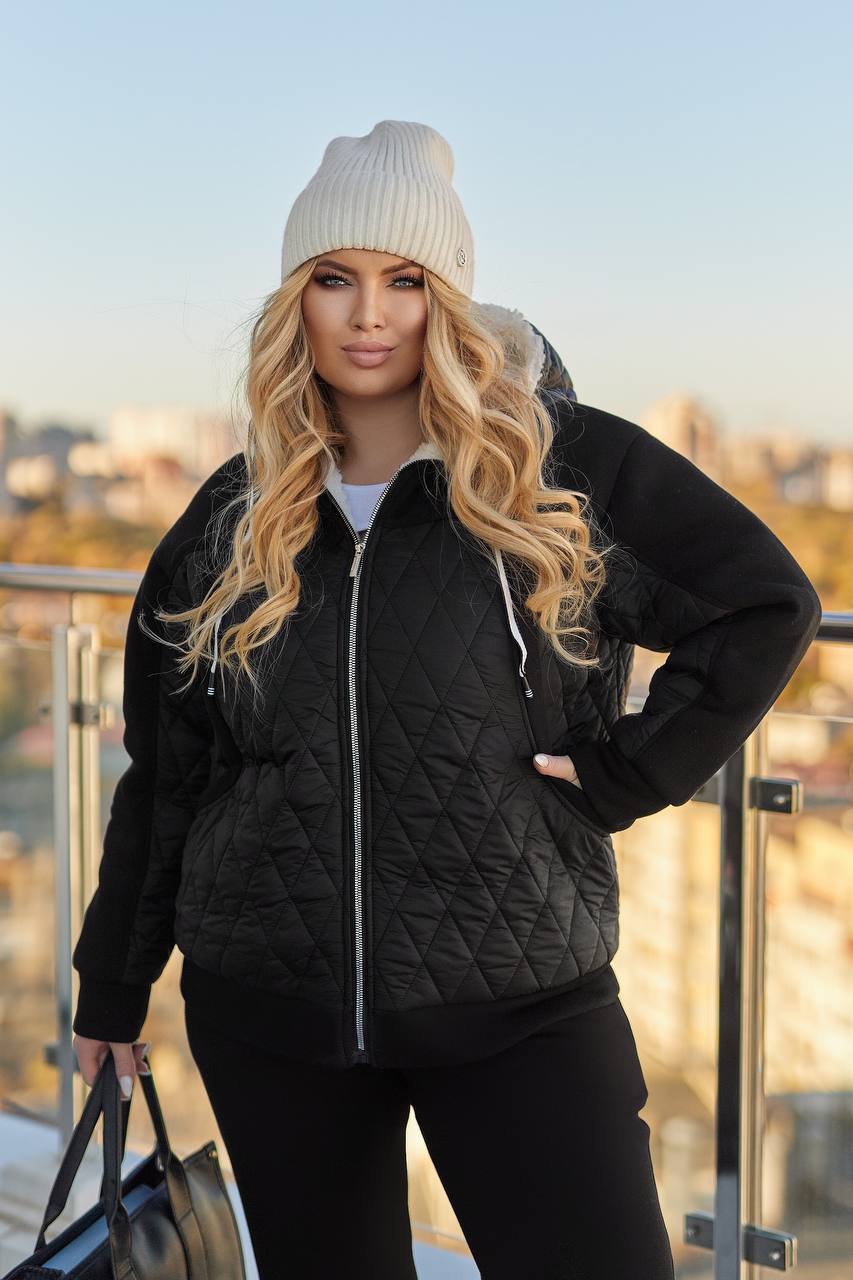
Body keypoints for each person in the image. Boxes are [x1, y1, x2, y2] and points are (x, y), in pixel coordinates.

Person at [71, 120, 822, 1279]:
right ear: (295, 301)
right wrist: (113, 985)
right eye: (334, 278)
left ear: (448, 298)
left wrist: (630, 770)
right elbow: (170, 771)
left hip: (522, 995)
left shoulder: (559, 467)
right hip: (269, 1006)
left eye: (405, 280)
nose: (368, 314)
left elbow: (763, 602)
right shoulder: (232, 513)